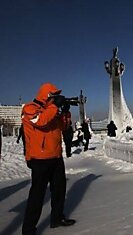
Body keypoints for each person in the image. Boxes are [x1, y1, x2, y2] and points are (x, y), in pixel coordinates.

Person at [21, 83, 75, 235]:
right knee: (37, 195)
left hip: (56, 157)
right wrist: (54, 107)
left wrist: (65, 113)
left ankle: (57, 218)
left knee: (59, 190)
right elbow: (40, 122)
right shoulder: (30, 109)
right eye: (54, 96)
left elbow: (63, 127)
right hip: (39, 159)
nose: (56, 99)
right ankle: (28, 229)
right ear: (46, 96)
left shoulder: (52, 111)